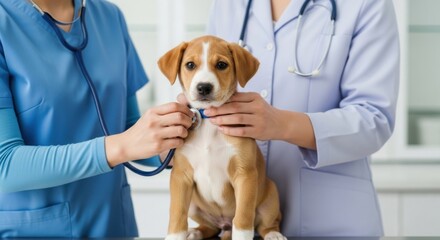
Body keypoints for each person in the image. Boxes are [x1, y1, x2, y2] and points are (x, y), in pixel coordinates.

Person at [201, 0, 400, 236]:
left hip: (329, 222)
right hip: (238, 223)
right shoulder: (228, 5)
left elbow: (374, 119)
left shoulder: (366, 4)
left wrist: (281, 124)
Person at [0, 0, 192, 237]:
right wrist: (120, 146)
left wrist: (178, 142)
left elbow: (129, 126)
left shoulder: (109, 17)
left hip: (111, 225)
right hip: (36, 230)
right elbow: (4, 165)